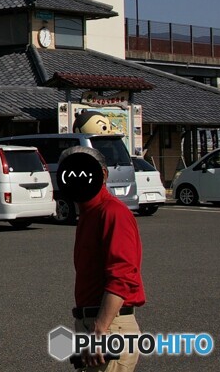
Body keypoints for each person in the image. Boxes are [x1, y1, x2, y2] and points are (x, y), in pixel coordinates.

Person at [58, 146, 145, 371]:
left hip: (109, 326)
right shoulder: (88, 213)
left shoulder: (112, 213)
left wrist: (100, 329)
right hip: (95, 325)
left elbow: (123, 275)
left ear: (103, 175)